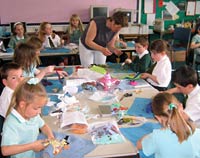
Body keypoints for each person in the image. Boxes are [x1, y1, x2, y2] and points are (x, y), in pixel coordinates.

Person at [1, 78, 55, 157]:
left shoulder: (33, 115)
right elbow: (5, 150)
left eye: (41, 108)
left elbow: (43, 125)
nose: (39, 112)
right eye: (36, 108)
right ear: (22, 104)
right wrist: (32, 146)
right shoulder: (11, 123)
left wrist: (50, 136)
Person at [137, 92, 200, 158]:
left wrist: (149, 135)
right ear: (181, 107)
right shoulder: (197, 132)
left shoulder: (157, 136)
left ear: (158, 118)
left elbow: (139, 145)